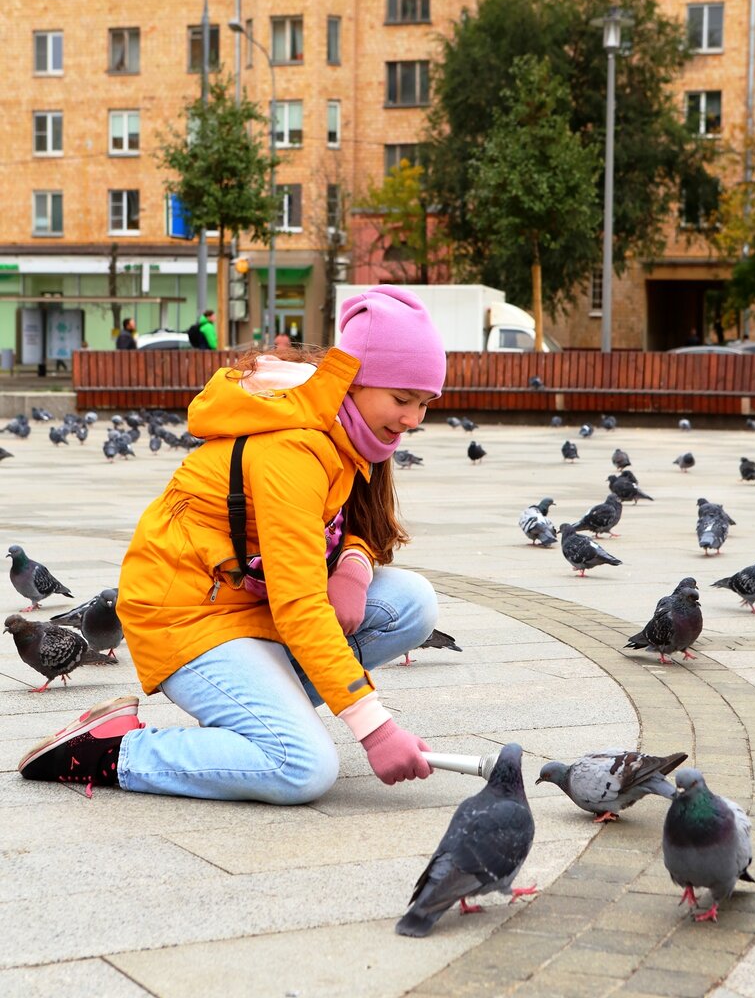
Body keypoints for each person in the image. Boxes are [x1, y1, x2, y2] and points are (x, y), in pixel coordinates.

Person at [17, 286, 445, 804]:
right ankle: (111, 749)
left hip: (243, 603)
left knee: (411, 602)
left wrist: (352, 563)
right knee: (302, 768)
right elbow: (300, 605)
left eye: (424, 403)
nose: (414, 419)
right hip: (187, 617)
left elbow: (338, 529)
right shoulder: (296, 450)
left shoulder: (343, 433)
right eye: (403, 399)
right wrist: (375, 728)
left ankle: (258, 716)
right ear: (351, 382)